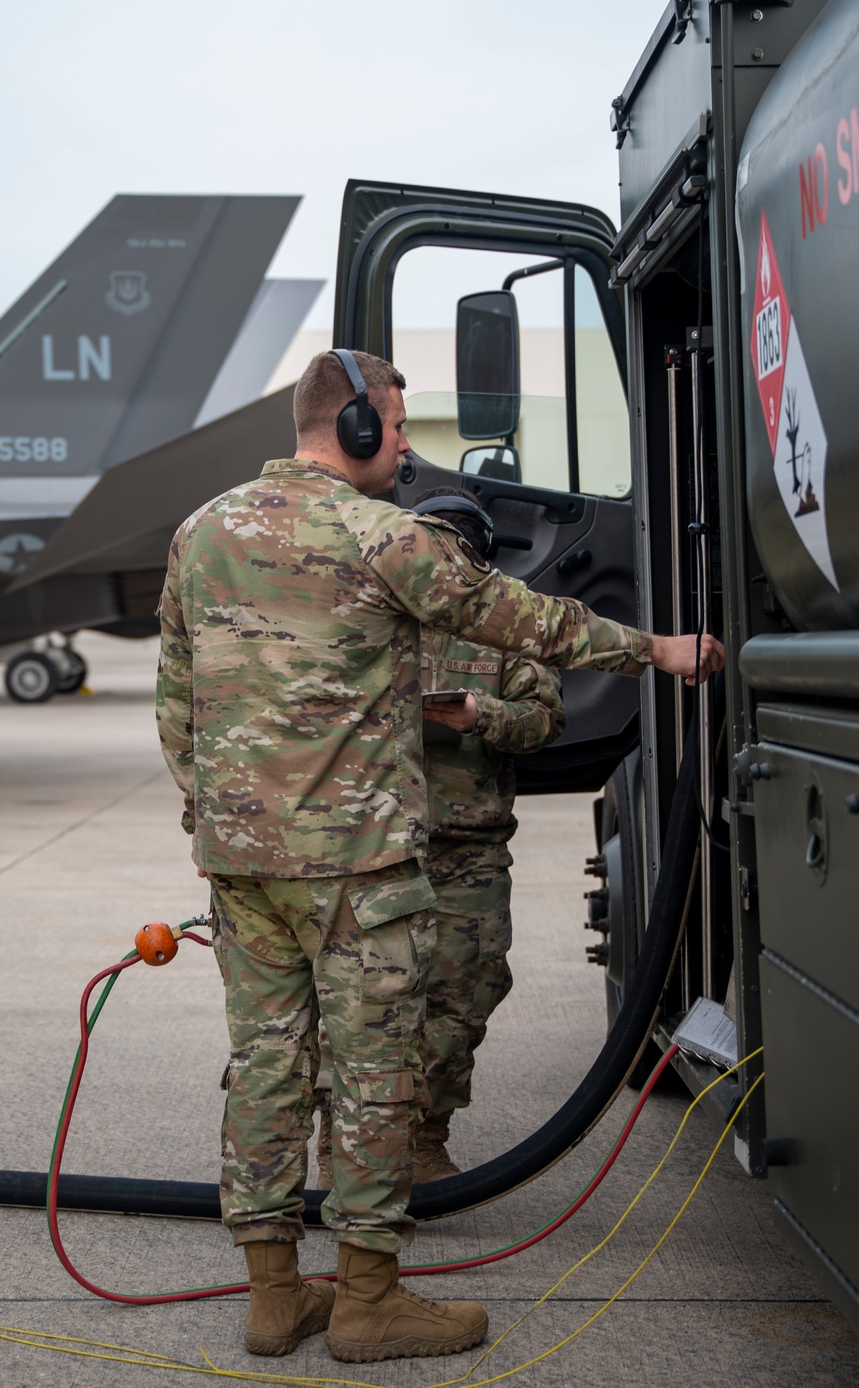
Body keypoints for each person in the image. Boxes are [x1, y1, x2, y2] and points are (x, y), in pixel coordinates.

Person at [156, 348, 723, 1364]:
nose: (408, 446)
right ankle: (369, 1301)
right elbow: (528, 621)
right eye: (401, 426)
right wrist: (659, 650)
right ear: (359, 424)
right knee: (377, 1074)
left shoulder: (201, 530)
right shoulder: (382, 539)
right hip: (356, 869)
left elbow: (176, 702)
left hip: (242, 865)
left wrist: (220, 819)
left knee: (268, 1069)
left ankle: (275, 1296)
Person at [314, 486, 565, 1188]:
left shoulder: (502, 624)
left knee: (463, 994)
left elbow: (544, 719)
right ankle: (341, 1140)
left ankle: (425, 1135)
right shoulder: (366, 618)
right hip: (374, 849)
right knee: (361, 1002)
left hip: (469, 850)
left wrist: (482, 714)